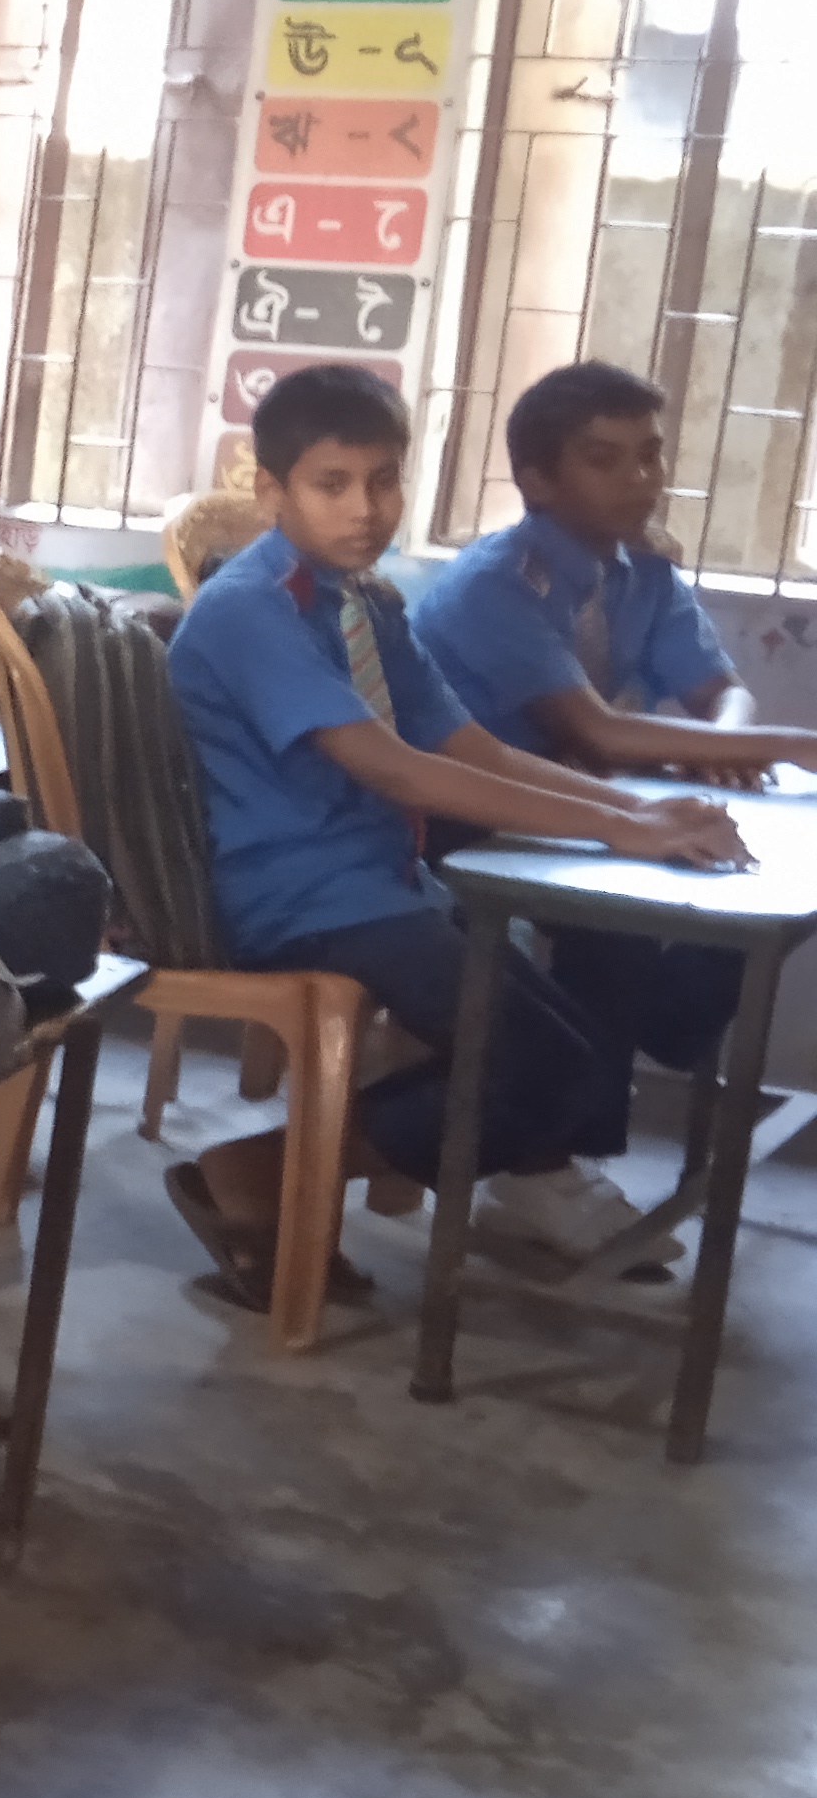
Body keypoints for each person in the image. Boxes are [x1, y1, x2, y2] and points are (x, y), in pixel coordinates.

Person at [168, 363, 748, 1291]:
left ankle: (272, 1170)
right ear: (271, 491)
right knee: (541, 1064)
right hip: (300, 900)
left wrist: (636, 811)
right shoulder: (250, 610)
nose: (365, 509)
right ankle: (257, 1171)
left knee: (572, 1062)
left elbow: (472, 746)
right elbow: (397, 768)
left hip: (385, 884)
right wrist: (614, 831)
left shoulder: (361, 601)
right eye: (331, 485)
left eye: (383, 481)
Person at [411, 357, 814, 1076]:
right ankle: (593, 1088)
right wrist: (787, 743)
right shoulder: (496, 583)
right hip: (461, 814)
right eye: (605, 460)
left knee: (734, 863)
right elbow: (592, 729)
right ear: (537, 481)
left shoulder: (643, 571)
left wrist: (724, 748)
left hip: (576, 801)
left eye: (651, 455)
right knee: (618, 923)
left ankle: (633, 1055)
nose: (641, 479)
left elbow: (723, 690)